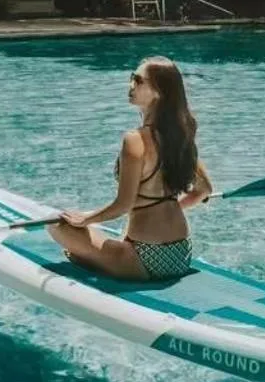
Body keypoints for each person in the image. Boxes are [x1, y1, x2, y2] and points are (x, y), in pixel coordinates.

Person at [50, 56, 212, 281]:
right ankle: (99, 257)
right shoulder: (182, 135)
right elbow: (203, 190)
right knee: (92, 238)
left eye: (138, 81)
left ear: (158, 92)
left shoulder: (135, 140)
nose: (131, 85)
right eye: (131, 78)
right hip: (180, 254)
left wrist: (84, 220)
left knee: (57, 225)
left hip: (144, 257)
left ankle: (94, 260)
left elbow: (123, 205)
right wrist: (167, 205)